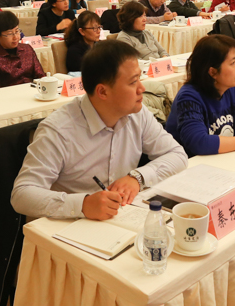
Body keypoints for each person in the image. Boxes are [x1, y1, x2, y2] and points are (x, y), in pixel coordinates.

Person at [11, 40, 188, 220]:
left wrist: (137, 177)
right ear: (102, 92)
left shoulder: (138, 114)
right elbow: (22, 195)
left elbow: (177, 155)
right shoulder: (58, 130)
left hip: (121, 216)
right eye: (133, 82)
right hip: (71, 225)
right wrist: (82, 204)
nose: (142, 89)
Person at [0, 12, 44, 90]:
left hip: (33, 92)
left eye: (17, 31)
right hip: (9, 95)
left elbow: (40, 76)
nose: (16, 37)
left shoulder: (27, 49)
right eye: (10, 34)